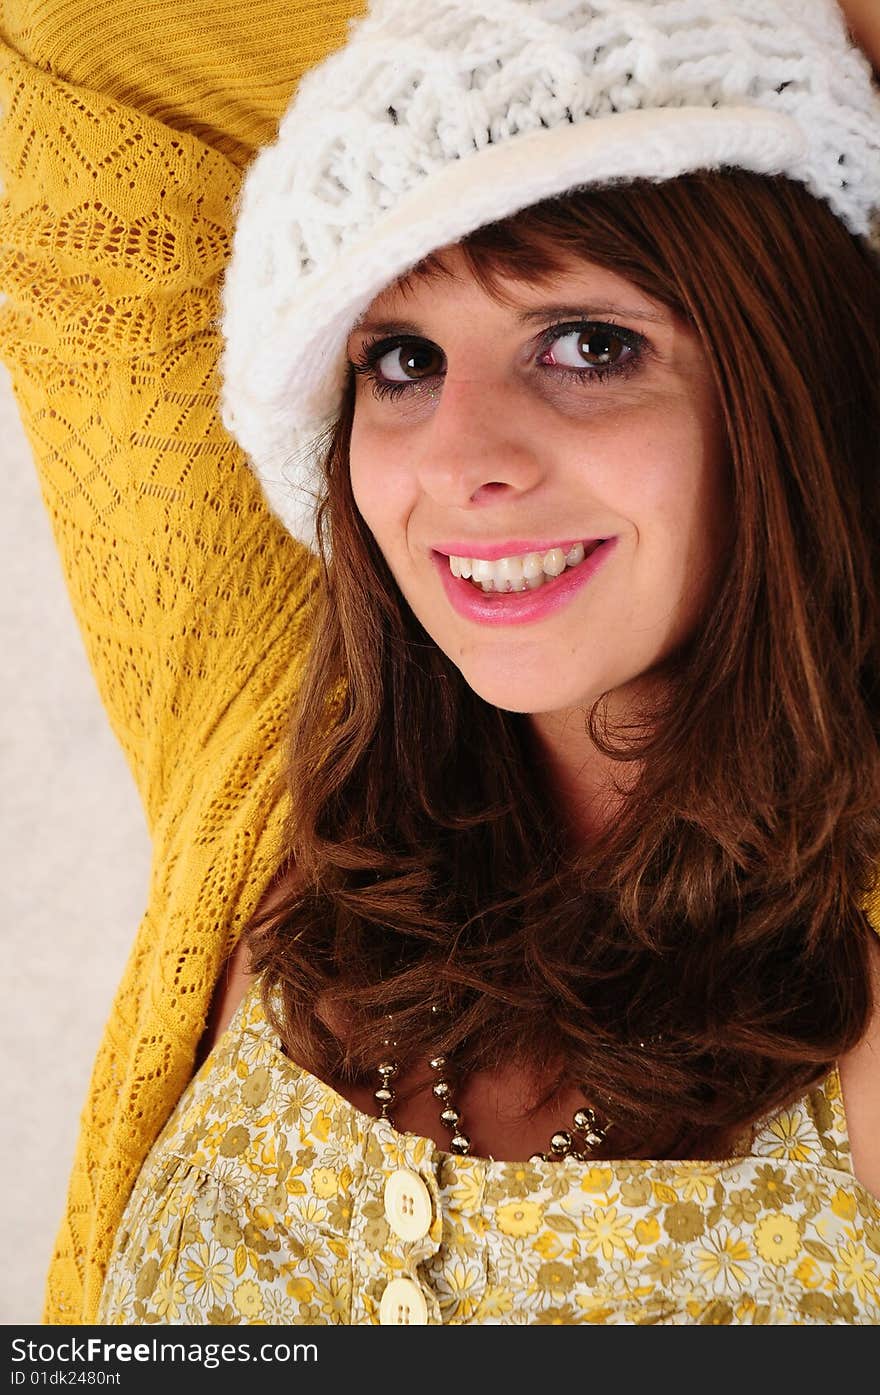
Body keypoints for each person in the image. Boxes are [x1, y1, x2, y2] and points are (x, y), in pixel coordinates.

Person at [1, 0, 879, 1329]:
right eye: (402, 360)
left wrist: (780, 69)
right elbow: (70, 67)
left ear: (790, 384)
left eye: (589, 345)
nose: (463, 461)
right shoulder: (273, 741)